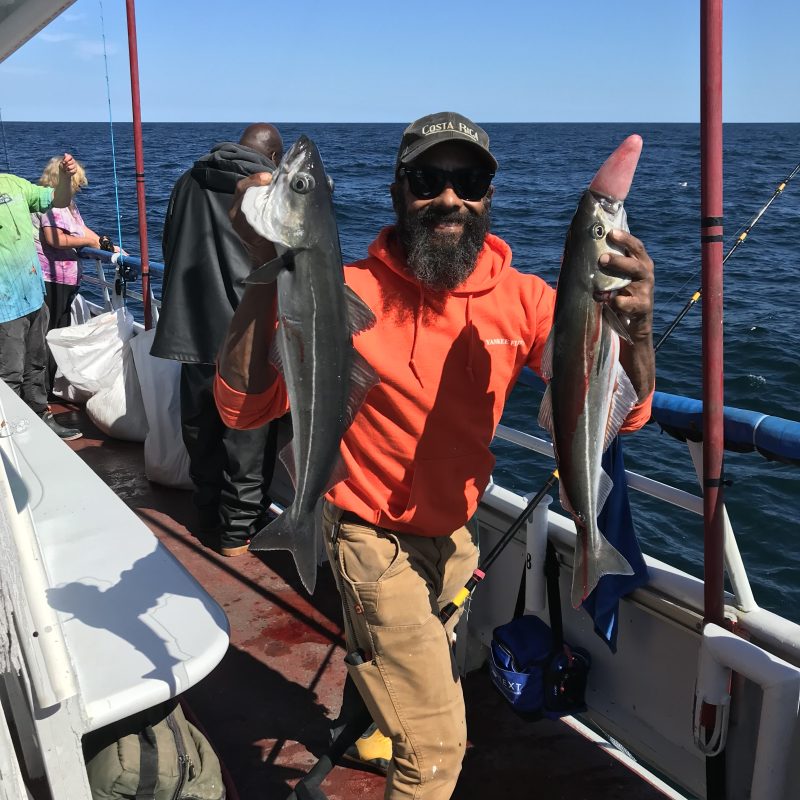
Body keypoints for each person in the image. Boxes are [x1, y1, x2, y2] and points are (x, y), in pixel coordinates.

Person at [214, 112, 656, 799]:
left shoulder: (529, 300)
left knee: (417, 678)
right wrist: (262, 275)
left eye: (469, 180)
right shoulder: (346, 287)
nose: (450, 198)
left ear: (488, 196)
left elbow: (620, 414)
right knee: (438, 751)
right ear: (398, 190)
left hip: (457, 537)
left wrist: (639, 332)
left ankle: (375, 698)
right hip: (369, 539)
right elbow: (241, 408)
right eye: (428, 179)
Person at [151, 123, 284, 557]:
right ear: (275, 158)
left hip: (191, 329)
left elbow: (169, 243)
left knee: (201, 433)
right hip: (246, 339)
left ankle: (206, 516)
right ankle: (236, 535)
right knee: (246, 441)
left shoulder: (186, 180)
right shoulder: (267, 190)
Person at [0, 153, 83, 440]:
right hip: (4, 305)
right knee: (8, 370)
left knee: (35, 363)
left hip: (34, 295)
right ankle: (6, 433)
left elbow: (57, 200)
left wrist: (65, 177)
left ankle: (39, 415)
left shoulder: (15, 184)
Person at [32, 155, 119, 392]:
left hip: (66, 278)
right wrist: (91, 240)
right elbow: (55, 238)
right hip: (52, 278)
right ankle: (44, 389)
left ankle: (51, 385)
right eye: (76, 183)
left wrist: (103, 243)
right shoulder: (50, 202)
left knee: (59, 330)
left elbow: (80, 229)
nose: (79, 188)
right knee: (49, 334)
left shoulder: (68, 204)